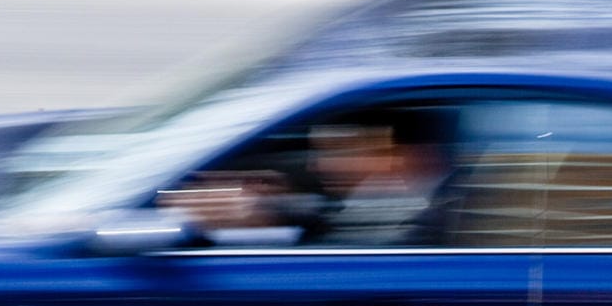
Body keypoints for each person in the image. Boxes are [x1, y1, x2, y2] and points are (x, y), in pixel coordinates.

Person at [158, 108, 454, 248]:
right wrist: (278, 207)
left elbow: (349, 251)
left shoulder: (425, 220)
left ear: (397, 155)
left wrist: (263, 218)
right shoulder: (398, 199)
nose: (319, 166)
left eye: (339, 151)